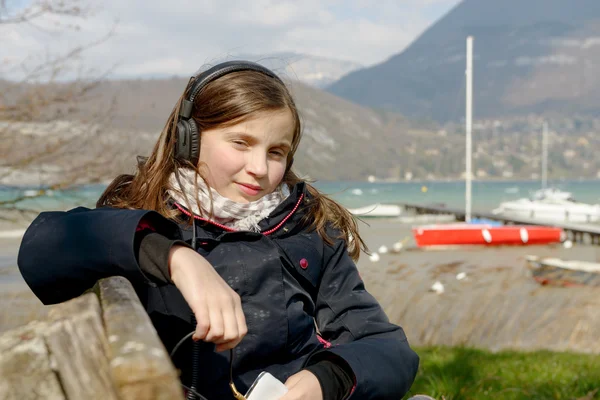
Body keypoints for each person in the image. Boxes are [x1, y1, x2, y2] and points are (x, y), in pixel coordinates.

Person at [18, 61, 419, 400]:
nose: (260, 168)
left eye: (276, 151)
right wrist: (174, 257)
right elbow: (41, 251)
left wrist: (324, 380)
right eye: (240, 143)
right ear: (189, 140)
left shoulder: (310, 229)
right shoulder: (142, 214)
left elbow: (387, 349)